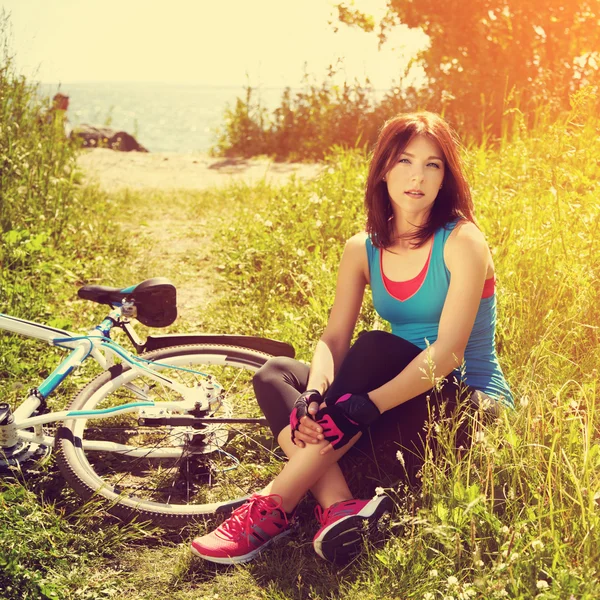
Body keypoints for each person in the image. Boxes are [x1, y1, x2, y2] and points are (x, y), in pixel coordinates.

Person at [191, 111, 514, 565]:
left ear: (446, 178)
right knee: (274, 374)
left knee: (379, 346)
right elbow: (334, 338)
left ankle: (271, 507)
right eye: (404, 161)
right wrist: (315, 395)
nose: (417, 176)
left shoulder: (463, 241)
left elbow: (448, 353)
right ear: (384, 169)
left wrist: (367, 405)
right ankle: (341, 505)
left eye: (433, 164)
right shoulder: (362, 247)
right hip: (389, 397)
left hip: (460, 401)